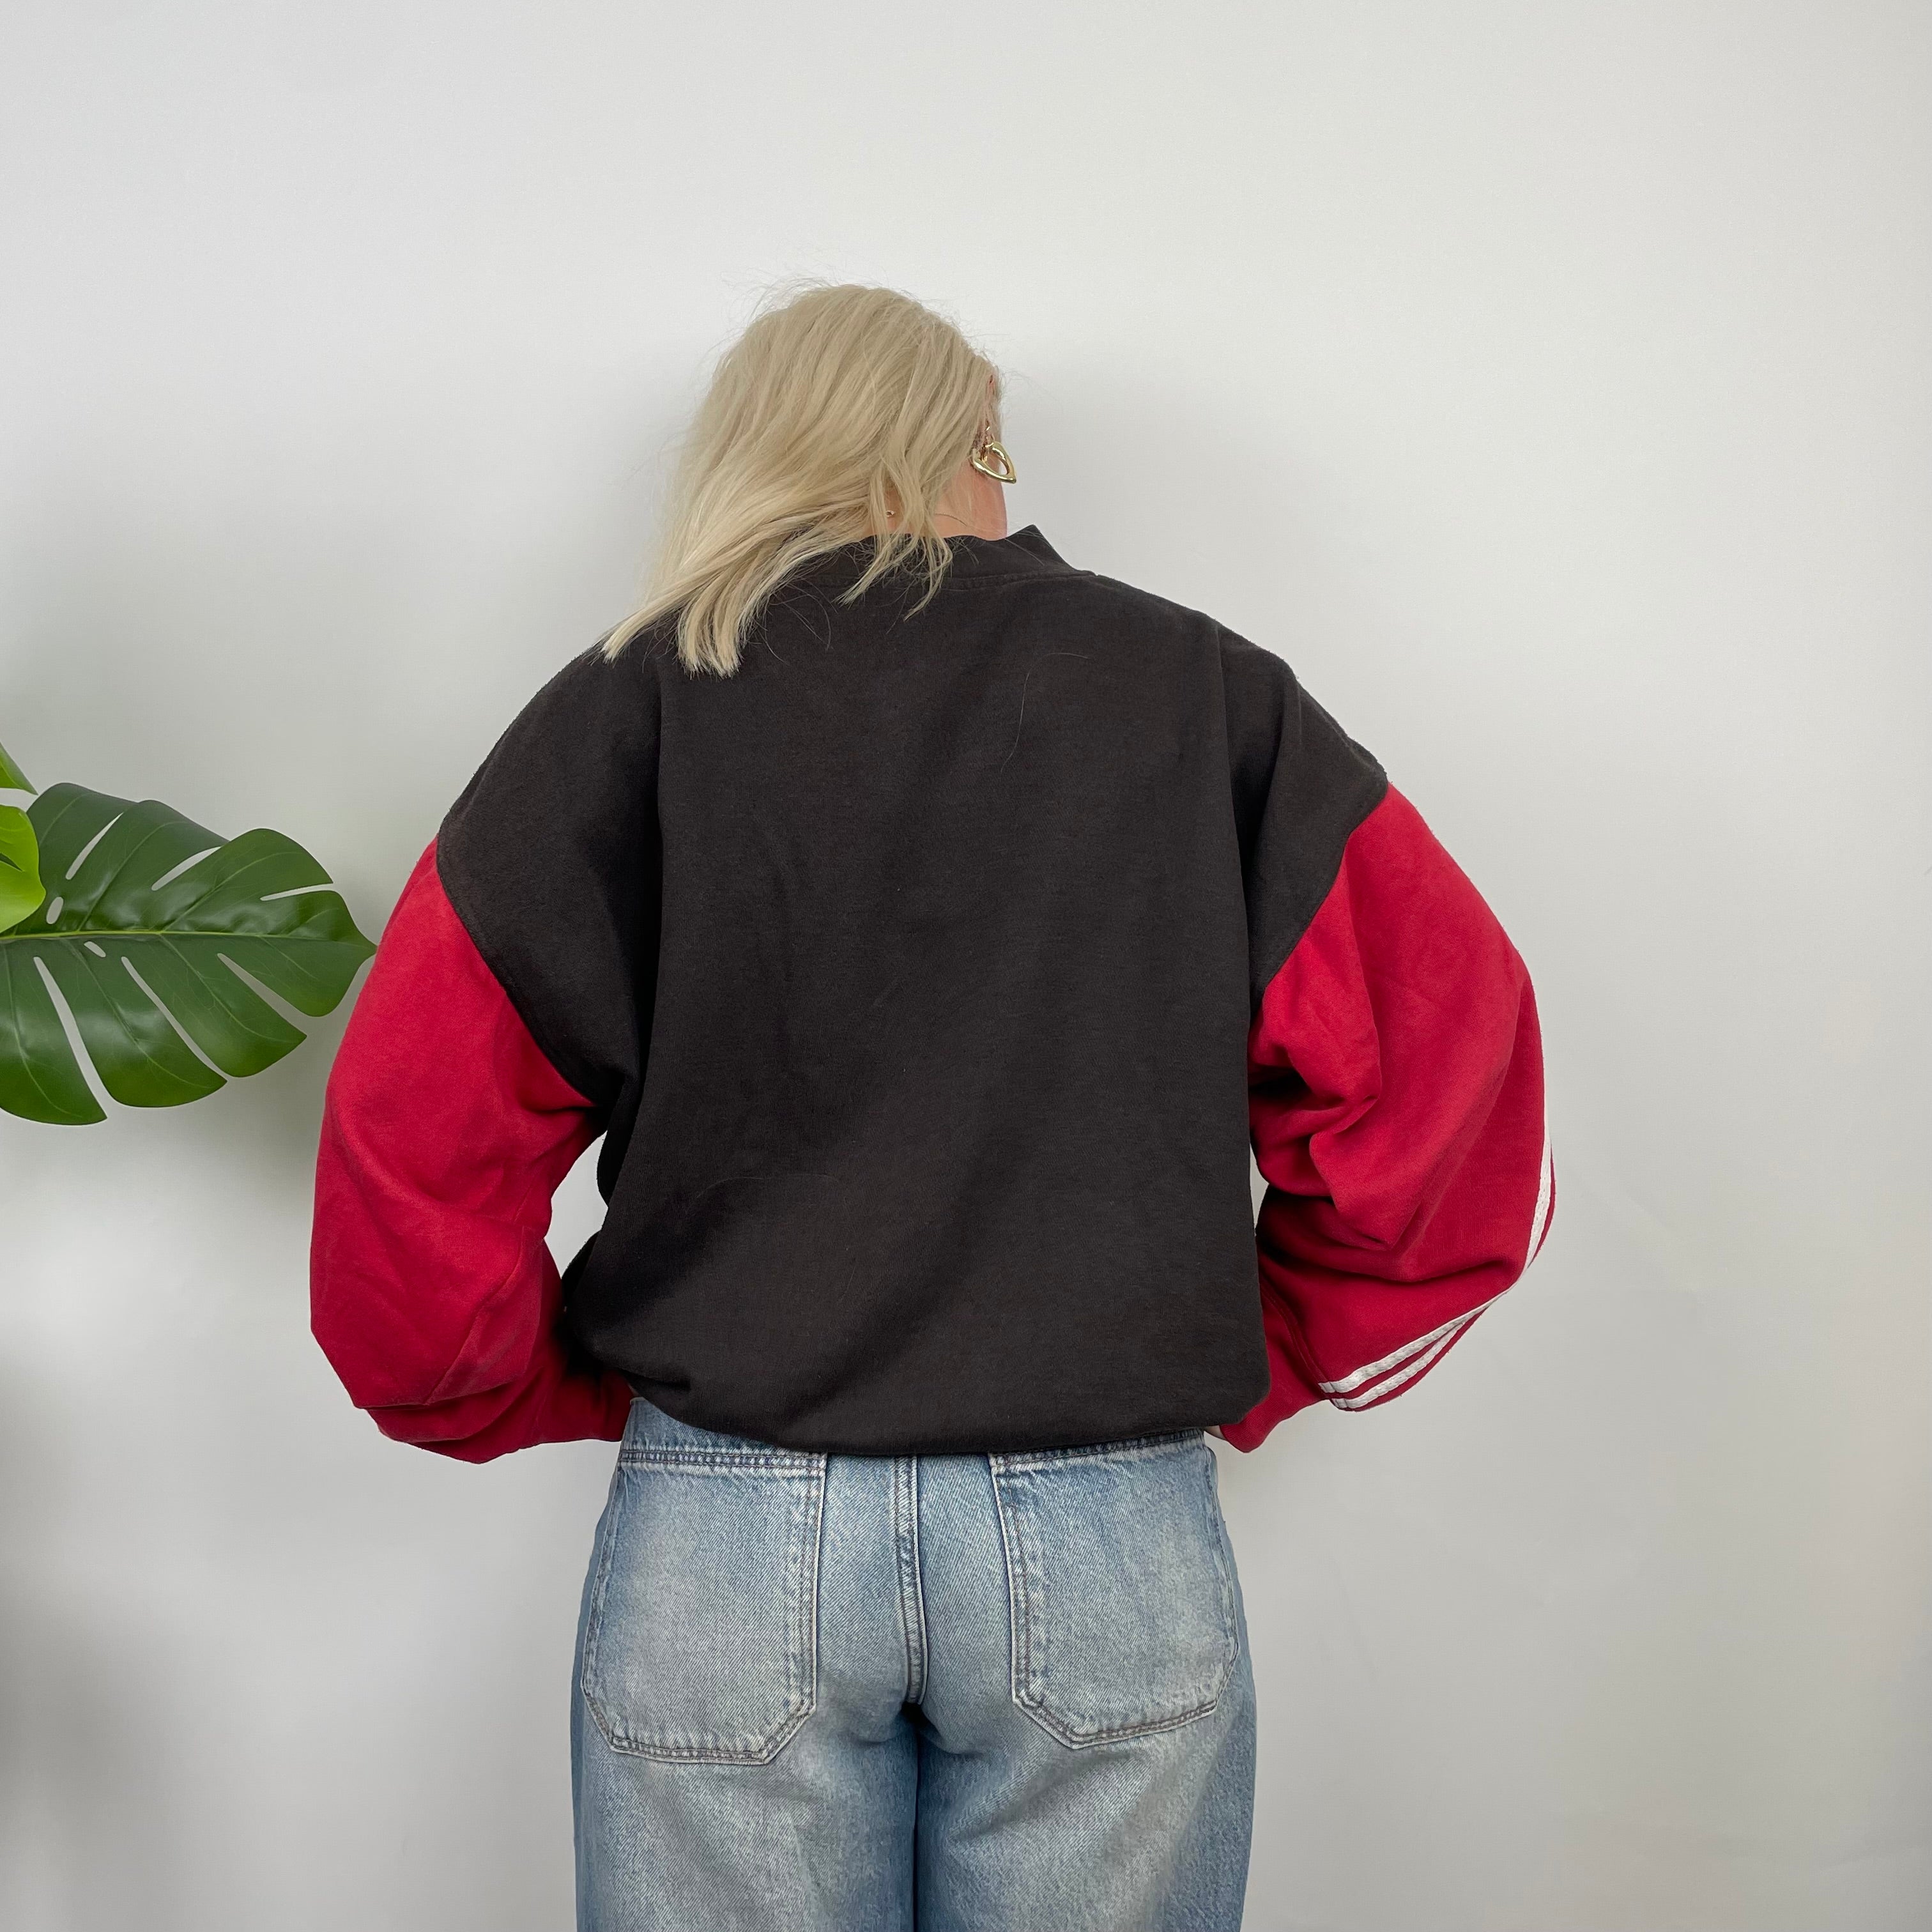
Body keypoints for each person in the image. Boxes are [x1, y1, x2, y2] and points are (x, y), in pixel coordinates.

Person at [309, 282, 1553, 1932]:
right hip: (1107, 1531)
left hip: (728, 1537)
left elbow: (410, 1141)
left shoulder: (635, 708)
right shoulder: (1199, 698)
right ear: (966, 451)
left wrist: (552, 1390)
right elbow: (1447, 1088)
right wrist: (1257, 1351)